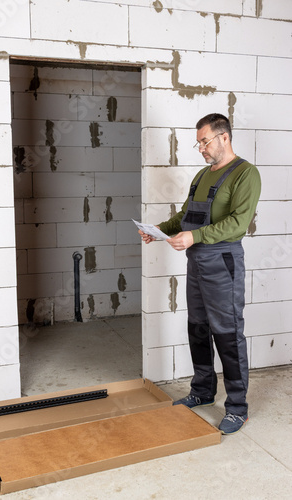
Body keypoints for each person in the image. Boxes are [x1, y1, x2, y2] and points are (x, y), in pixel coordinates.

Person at [139, 113, 261, 435]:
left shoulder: (246, 174)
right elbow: (186, 215)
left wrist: (195, 237)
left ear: (224, 137)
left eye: (204, 141)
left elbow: (238, 223)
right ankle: (203, 390)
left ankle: (237, 407)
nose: (201, 148)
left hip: (223, 263)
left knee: (228, 333)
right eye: (198, 143)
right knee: (197, 327)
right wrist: (159, 231)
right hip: (197, 263)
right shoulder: (201, 175)